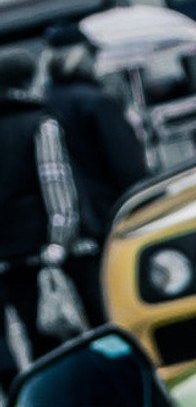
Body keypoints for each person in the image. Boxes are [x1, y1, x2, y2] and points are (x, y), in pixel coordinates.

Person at [43, 35, 146, 322]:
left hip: (69, 224)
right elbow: (126, 166)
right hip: (109, 214)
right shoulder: (94, 102)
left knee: (93, 310)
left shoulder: (44, 103)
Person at [0, 44, 82, 396]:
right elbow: (56, 184)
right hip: (42, 247)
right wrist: (59, 240)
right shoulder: (39, 123)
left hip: (7, 252)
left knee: (29, 335)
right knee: (62, 329)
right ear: (30, 79)